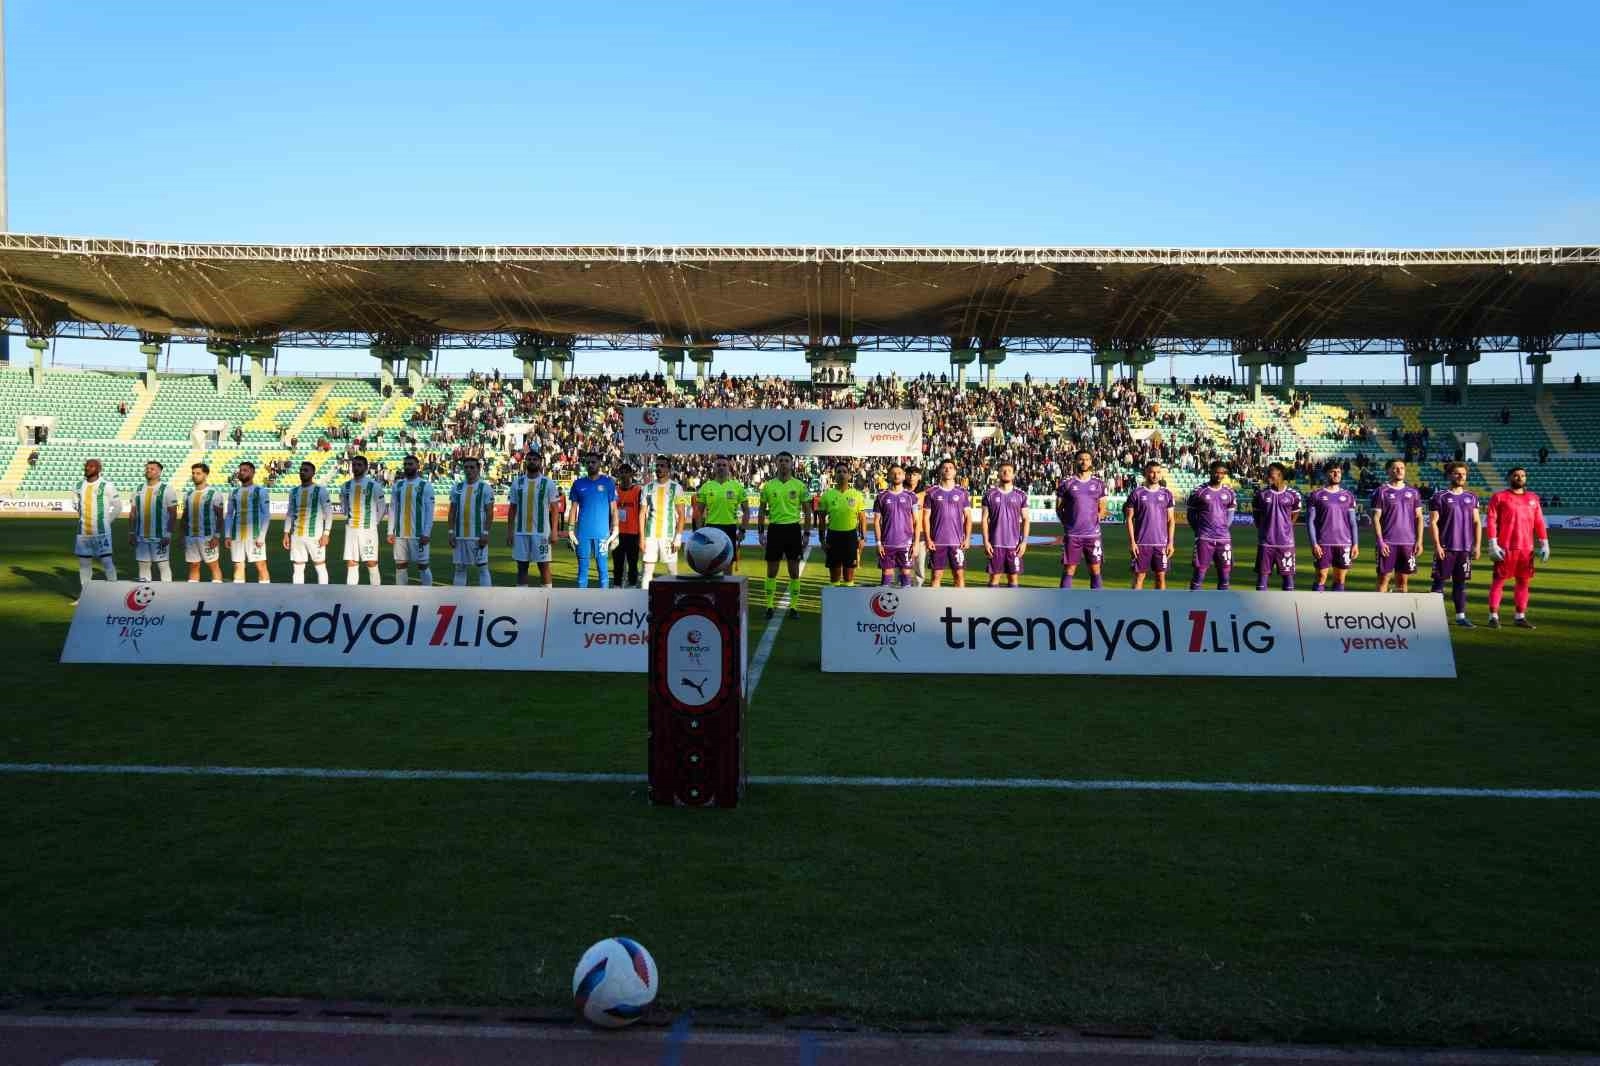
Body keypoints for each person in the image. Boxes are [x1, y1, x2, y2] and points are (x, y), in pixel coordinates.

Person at [1485, 466, 1549, 629]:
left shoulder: (1533, 498)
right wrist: (1493, 543)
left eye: (1523, 475)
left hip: (1526, 549)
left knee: (1523, 582)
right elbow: (1491, 520)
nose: (1520, 478)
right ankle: (1493, 616)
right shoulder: (1499, 497)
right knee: (1498, 582)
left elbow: (1539, 522)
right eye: (1516, 475)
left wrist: (1544, 543)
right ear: (1509, 478)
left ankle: (1520, 617)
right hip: (1505, 547)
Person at [757, 451, 810, 618]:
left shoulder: (800, 485)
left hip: (793, 530)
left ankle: (793, 607)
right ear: (776, 463)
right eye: (781, 460)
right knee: (771, 570)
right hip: (775, 530)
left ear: (791, 464)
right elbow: (761, 510)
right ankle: (769, 606)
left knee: (794, 571)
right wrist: (761, 532)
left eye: (787, 461)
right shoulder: (768, 486)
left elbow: (807, 511)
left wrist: (806, 533)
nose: (784, 463)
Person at [1429, 460, 1481, 627]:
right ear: (1450, 475)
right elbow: (1433, 522)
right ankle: (1433, 618)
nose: (1461, 476)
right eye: (1457, 473)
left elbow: (1477, 522)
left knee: (1460, 583)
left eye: (1463, 474)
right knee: (1439, 581)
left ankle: (1460, 617)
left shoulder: (1472, 497)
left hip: (1465, 548)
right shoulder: (1439, 497)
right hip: (1446, 547)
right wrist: (1437, 545)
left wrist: (1477, 545)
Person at [507, 452, 561, 588]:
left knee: (544, 567)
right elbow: (512, 508)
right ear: (525, 462)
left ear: (540, 462)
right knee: (522, 567)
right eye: (529, 459)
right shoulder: (517, 483)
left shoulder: (548, 483)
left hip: (541, 533)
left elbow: (555, 509)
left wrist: (554, 531)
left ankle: (547, 596)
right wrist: (510, 532)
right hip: (521, 532)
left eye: (535, 459)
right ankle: (522, 597)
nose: (532, 461)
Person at [1055, 449, 1107, 589]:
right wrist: (1068, 525)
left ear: (1091, 462)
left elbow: (1103, 508)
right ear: (1076, 461)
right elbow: (1059, 509)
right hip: (1073, 535)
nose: (1084, 462)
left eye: (1087, 459)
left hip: (1093, 535)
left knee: (1095, 570)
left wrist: (1095, 521)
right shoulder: (1067, 483)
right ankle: (1064, 599)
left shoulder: (1099, 484)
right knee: (1069, 569)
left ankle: (1098, 600)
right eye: (1081, 459)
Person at [566, 451, 619, 589]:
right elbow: (573, 509)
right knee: (582, 572)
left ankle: (603, 599)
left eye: (593, 462)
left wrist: (616, 529)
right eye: (588, 462)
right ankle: (582, 600)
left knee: (603, 571)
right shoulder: (578, 484)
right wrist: (570, 531)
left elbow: (614, 509)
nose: (590, 465)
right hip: (583, 534)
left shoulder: (608, 483)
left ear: (599, 463)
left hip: (602, 534)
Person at [72, 458, 122, 600]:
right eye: (87, 466)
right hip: (83, 532)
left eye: (92, 466)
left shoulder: (107, 485)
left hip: (101, 532)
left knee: (106, 561)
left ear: (99, 469)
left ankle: (114, 594)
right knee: (84, 564)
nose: (88, 468)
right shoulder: (78, 485)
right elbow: (76, 504)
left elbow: (118, 507)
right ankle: (85, 597)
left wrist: (106, 522)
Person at [1371, 459, 1424, 593]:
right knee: (1383, 579)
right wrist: (1380, 542)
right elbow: (1376, 518)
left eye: (1402, 468)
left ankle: (1401, 607)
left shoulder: (1413, 492)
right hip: (1388, 543)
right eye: (1395, 468)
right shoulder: (1381, 491)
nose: (1400, 470)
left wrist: (1419, 541)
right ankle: (1379, 606)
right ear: (1388, 471)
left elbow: (1419, 517)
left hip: (1408, 543)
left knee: (1402, 581)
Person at [1306, 461, 1358, 592]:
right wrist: (1314, 544)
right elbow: (1310, 521)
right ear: (1325, 474)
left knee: (1340, 579)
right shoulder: (1316, 495)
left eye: (1338, 472)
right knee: (1321, 576)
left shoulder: (1348, 496)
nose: (1336, 474)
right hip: (1323, 543)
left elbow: (1352, 522)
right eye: (1332, 472)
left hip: (1344, 543)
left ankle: (1336, 604)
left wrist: (1355, 544)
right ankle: (1316, 604)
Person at [1186, 460, 1236, 590]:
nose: (1219, 475)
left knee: (1225, 575)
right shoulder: (1199, 491)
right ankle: (1193, 600)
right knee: (1199, 573)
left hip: (1223, 539)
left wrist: (1224, 528)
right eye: (1216, 472)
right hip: (1204, 538)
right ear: (1210, 472)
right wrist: (1199, 530)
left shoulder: (1229, 492)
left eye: (1222, 473)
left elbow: (1230, 514)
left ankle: (1222, 601)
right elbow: (1191, 515)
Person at [1125, 461, 1174, 590]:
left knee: (1160, 577)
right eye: (1152, 472)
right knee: (1139, 577)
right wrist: (1132, 542)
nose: (1155, 475)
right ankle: (1134, 604)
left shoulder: (1167, 494)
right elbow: (1129, 519)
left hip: (1161, 544)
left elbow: (1171, 520)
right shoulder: (1137, 493)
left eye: (1158, 472)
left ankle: (1160, 603)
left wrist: (1170, 543)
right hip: (1141, 544)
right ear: (1146, 473)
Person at [923, 459, 972, 589]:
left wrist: (967, 538)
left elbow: (968, 517)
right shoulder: (931, 492)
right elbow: (926, 518)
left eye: (951, 467)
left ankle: (960, 601)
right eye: (944, 467)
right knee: (936, 576)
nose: (948, 470)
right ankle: (935, 602)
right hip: (937, 543)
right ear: (940, 471)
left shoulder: (962, 492)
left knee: (959, 576)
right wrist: (928, 539)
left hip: (957, 542)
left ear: (955, 471)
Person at [1252, 462, 1301, 591]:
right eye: (1267, 472)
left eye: (1271, 472)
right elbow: (1256, 517)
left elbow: (1294, 516)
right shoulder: (1261, 494)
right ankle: (1260, 603)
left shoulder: (1293, 495)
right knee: (1262, 577)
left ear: (1280, 475)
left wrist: (1285, 528)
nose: (1268, 475)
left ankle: (1288, 603)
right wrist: (1265, 531)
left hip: (1286, 544)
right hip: (1266, 543)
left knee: (1288, 577)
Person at [817, 463, 868, 587]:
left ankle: (848, 597)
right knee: (834, 576)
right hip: (833, 536)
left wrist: (862, 538)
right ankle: (835, 598)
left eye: (844, 472)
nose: (841, 474)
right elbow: (822, 520)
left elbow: (862, 518)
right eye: (839, 472)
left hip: (850, 537)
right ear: (834, 475)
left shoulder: (857, 495)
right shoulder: (827, 495)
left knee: (849, 576)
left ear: (849, 475)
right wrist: (822, 540)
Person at [981, 461, 1030, 588]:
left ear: (1013, 475)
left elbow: (1026, 519)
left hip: (1014, 545)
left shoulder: (1021, 495)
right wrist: (986, 542)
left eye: (1009, 471)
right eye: (1003, 470)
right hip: (995, 544)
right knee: (994, 578)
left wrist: (1024, 542)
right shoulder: (989, 495)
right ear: (998, 474)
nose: (1006, 472)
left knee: (1013, 578)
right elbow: (984, 519)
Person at [128, 460, 179, 583]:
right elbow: (133, 513)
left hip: (160, 536)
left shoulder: (167, 489)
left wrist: (168, 535)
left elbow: (173, 514)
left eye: (152, 469)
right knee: (143, 565)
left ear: (159, 472)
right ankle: (145, 592)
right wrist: (131, 532)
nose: (148, 471)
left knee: (163, 565)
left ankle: (167, 592)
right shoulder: (138, 489)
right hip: (141, 536)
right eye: (147, 468)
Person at [447, 456, 495, 587]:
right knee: (459, 568)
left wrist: (486, 533)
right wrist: (451, 532)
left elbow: (490, 513)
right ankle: (458, 597)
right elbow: (452, 512)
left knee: (483, 567)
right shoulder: (457, 488)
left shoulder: (485, 488)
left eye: (472, 467)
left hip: (477, 535)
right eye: (466, 467)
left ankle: (486, 597)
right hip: (459, 535)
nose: (469, 470)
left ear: (478, 469)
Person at [388, 453, 435, 586]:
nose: (407, 467)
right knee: (400, 566)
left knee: (423, 566)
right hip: (400, 534)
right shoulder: (398, 485)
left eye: (410, 464)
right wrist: (390, 531)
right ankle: (401, 594)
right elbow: (393, 509)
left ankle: (427, 592)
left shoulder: (425, 486)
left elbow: (429, 511)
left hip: (418, 535)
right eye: (405, 464)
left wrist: (427, 533)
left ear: (417, 466)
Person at [639, 457, 685, 590]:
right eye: (657, 466)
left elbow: (681, 515)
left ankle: (675, 599)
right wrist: (641, 538)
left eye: (662, 466)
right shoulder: (647, 488)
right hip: (650, 536)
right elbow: (642, 514)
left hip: (668, 537)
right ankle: (644, 599)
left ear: (668, 469)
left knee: (672, 573)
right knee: (647, 572)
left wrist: (678, 537)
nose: (659, 468)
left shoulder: (677, 488)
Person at [283, 461, 332, 584]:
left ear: (313, 473)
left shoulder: (320, 491)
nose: (302, 472)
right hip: (297, 536)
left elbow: (329, 514)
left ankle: (324, 593)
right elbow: (290, 513)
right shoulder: (294, 492)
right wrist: (286, 533)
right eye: (301, 470)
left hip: (315, 536)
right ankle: (299, 594)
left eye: (306, 470)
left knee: (320, 566)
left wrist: (326, 534)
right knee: (298, 568)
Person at [340, 454, 385, 585]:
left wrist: (374, 523)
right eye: (354, 465)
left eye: (359, 465)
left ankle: (375, 593)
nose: (356, 467)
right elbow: (344, 505)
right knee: (351, 562)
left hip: (368, 530)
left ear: (366, 468)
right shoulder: (345, 486)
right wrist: (347, 516)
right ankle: (351, 594)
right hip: (351, 530)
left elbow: (382, 508)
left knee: (371, 562)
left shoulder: (374, 486)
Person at [873, 463, 919, 590]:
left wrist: (915, 544)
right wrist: (878, 543)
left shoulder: (911, 497)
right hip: (887, 544)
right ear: (888, 476)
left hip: (906, 544)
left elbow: (916, 521)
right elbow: (876, 521)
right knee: (886, 578)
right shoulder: (881, 497)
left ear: (904, 476)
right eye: (893, 473)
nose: (896, 475)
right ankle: (884, 601)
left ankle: (906, 601)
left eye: (899, 473)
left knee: (906, 575)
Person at [694, 455, 748, 564]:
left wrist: (742, 530)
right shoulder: (706, 487)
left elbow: (746, 511)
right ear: (714, 468)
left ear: (729, 468)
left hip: (730, 528)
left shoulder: (737, 487)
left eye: (724, 465)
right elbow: (698, 512)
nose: (721, 467)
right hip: (711, 528)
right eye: (718, 465)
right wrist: (700, 531)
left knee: (728, 563)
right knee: (710, 562)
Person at [225, 460, 272, 583]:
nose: (242, 472)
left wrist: (262, 536)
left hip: (255, 536)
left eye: (245, 470)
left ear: (253, 473)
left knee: (261, 566)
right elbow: (229, 514)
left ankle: (265, 593)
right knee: (238, 566)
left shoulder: (260, 491)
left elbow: (266, 515)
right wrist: (227, 535)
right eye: (240, 470)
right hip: (236, 536)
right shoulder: (234, 492)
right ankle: (239, 593)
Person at [182, 462, 226, 583]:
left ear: (205, 475)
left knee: (213, 565)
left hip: (207, 538)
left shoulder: (214, 494)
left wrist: (216, 536)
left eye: (198, 473)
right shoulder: (188, 495)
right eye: (193, 473)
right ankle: (193, 591)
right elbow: (185, 517)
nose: (195, 476)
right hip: (191, 537)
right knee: (193, 566)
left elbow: (220, 517)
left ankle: (217, 591)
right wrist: (182, 535)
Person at [613, 464, 644, 588]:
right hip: (617, 533)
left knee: (632, 563)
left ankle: (632, 586)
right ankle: (617, 586)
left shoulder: (638, 491)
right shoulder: (614, 490)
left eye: (626, 472)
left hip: (633, 533)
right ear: (618, 474)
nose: (624, 474)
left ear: (631, 474)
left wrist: (641, 535)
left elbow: (642, 513)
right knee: (617, 563)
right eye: (621, 472)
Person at [905, 468, 928, 586]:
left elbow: (929, 516)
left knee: (919, 568)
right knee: (903, 568)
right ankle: (901, 590)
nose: (911, 477)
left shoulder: (925, 494)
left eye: (914, 474)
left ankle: (918, 590)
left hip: (921, 535)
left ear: (919, 477)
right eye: (909, 474)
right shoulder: (900, 492)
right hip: (903, 535)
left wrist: (929, 537)